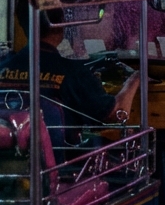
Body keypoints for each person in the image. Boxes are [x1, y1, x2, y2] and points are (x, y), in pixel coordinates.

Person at [2, 7, 140, 126]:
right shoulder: (73, 73)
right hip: (62, 154)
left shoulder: (3, 67)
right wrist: (135, 79)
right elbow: (116, 115)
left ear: (22, 23)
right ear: (62, 23)